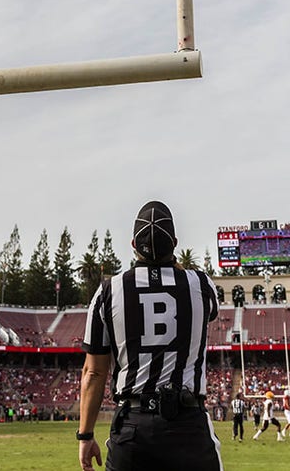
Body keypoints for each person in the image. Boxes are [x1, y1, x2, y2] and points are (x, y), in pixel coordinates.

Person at [76, 200, 222, 471]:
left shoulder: (110, 291)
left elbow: (93, 373)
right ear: (175, 243)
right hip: (188, 424)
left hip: (133, 426)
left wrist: (85, 435)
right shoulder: (201, 285)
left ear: (133, 245)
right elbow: (209, 312)